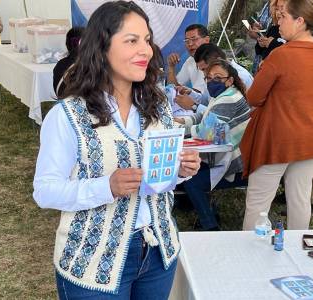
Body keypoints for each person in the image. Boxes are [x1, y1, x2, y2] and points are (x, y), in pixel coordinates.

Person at [32, 1, 201, 298]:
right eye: (132, 41)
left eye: (147, 40)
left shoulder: (158, 105)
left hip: (159, 253)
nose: (146, 50)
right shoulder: (68, 116)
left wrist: (181, 171)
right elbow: (45, 191)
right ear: (102, 48)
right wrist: (106, 186)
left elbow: (157, 181)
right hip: (93, 262)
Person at [241, 0, 313, 230]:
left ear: (300, 21)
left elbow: (253, 97)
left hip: (279, 138)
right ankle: (296, 256)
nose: (277, 22)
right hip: (312, 136)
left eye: (283, 17)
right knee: (300, 200)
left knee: (258, 202)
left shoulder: (282, 55)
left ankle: (247, 259)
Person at [175, 59, 251, 230]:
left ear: (230, 80)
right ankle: (209, 211)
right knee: (191, 170)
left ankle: (210, 225)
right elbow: (204, 118)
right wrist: (180, 121)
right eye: (208, 78)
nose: (211, 81)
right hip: (229, 155)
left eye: (217, 77)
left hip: (237, 165)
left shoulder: (228, 99)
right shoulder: (224, 95)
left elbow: (207, 133)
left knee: (191, 180)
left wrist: (178, 129)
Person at [174, 43, 253, 112]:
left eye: (205, 69)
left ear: (217, 61)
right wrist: (191, 93)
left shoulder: (241, 77)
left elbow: (223, 114)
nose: (205, 74)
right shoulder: (214, 76)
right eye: (202, 70)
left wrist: (194, 107)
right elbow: (208, 100)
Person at [166, 24, 209, 93]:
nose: (190, 44)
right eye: (187, 41)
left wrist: (177, 91)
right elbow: (172, 88)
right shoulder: (190, 60)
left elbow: (197, 96)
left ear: (206, 40)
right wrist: (171, 67)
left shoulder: (212, 59)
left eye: (194, 39)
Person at [53, 27, 84, 98]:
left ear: (67, 44)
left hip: (64, 104)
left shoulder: (60, 64)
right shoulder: (91, 67)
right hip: (86, 106)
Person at [248, 0, 272, 74]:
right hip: (259, 55)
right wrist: (255, 27)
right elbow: (260, 24)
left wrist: (260, 37)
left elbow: (279, 39)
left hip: (270, 58)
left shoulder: (285, 8)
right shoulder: (266, 5)